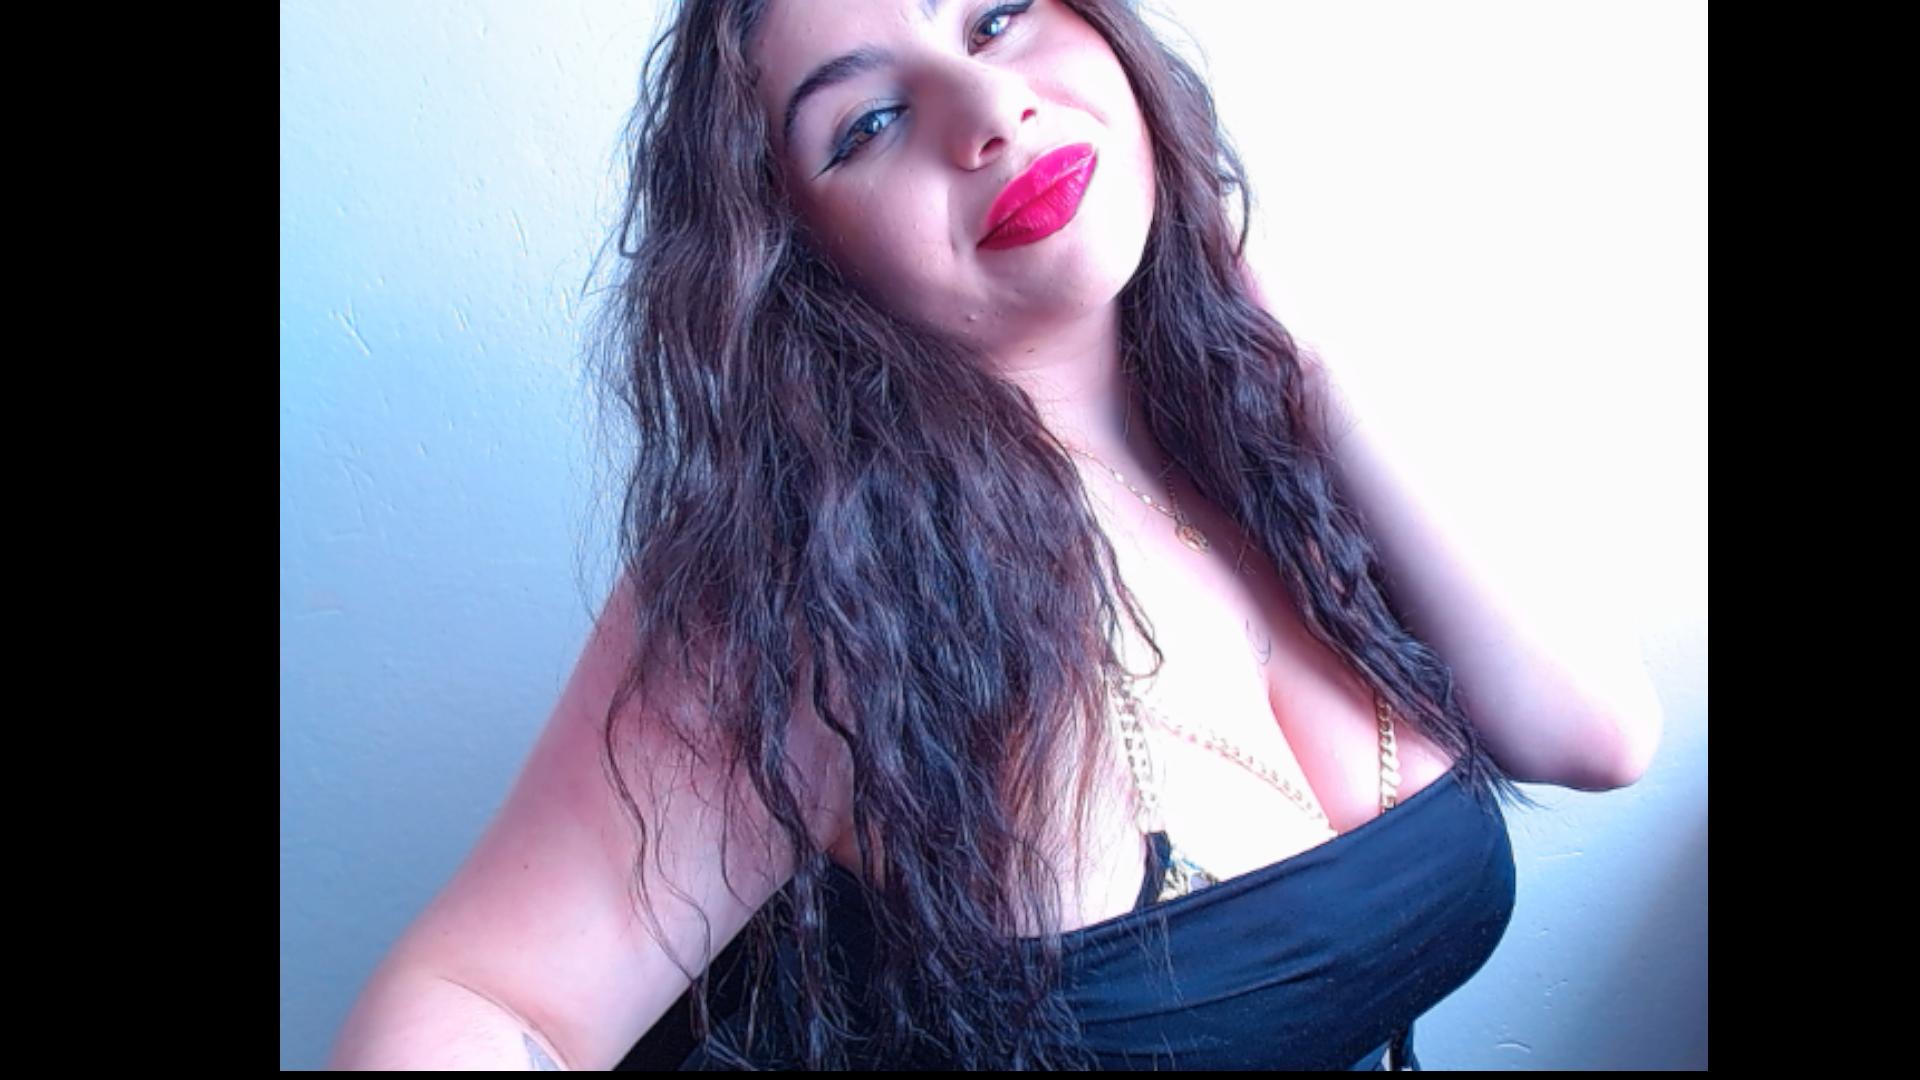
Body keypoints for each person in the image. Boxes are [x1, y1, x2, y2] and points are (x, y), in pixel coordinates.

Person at [329, 0, 1661, 1070]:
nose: (988, 111)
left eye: (998, 17)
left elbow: (1595, 738)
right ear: (797, 253)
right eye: (869, 122)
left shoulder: (1271, 440)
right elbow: (485, 1003)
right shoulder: (813, 585)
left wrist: (1301, 361)